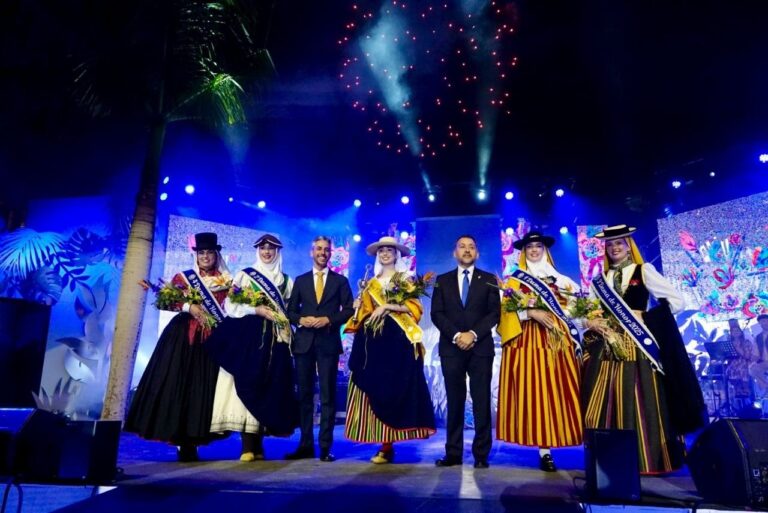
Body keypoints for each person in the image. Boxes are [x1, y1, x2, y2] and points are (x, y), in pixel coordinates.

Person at [581, 224, 706, 475]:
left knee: (640, 398)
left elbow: (678, 301)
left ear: (629, 246)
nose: (615, 248)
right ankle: (611, 461)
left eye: (620, 243)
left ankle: (646, 460)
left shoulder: (644, 270)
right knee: (606, 401)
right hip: (607, 347)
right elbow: (588, 312)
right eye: (611, 244)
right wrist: (589, 321)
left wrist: (646, 316)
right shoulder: (599, 280)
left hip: (637, 348)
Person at [125, 232, 230, 461]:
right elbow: (167, 301)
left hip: (211, 340)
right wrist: (188, 307)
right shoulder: (184, 277)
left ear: (216, 254)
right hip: (182, 337)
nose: (205, 257)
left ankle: (194, 439)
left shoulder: (227, 281)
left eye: (209, 252)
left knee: (203, 389)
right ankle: (181, 439)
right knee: (179, 385)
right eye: (201, 252)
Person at [204, 234, 299, 461]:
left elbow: (291, 309)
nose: (267, 252)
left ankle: (259, 445)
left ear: (278, 252)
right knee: (247, 382)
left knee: (269, 387)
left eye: (271, 249)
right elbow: (231, 305)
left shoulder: (287, 281)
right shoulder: (245, 275)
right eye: (263, 248)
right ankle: (247, 444)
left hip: (275, 341)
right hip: (248, 338)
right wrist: (257, 310)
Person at [343, 236, 436, 464]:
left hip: (398, 341)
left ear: (397, 254)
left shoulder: (405, 279)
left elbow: (415, 309)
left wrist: (387, 306)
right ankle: (382, 441)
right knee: (375, 387)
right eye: (381, 250)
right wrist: (358, 309)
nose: (385, 253)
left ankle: (389, 444)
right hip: (373, 342)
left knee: (394, 388)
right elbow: (363, 314)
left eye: (389, 250)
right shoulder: (370, 282)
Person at [496, 232, 582, 472]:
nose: (534, 250)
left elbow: (578, 308)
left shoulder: (561, 279)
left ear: (545, 249)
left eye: (538, 246)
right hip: (526, 342)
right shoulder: (514, 281)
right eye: (529, 247)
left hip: (555, 340)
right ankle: (544, 450)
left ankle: (561, 437)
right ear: (523, 252)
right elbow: (504, 311)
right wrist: (530, 313)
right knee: (534, 394)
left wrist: (556, 315)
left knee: (557, 392)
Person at [431, 235, 500, 469]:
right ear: (455, 253)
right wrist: (457, 336)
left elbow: (494, 314)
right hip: (452, 348)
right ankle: (453, 453)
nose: (467, 250)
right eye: (462, 246)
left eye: (472, 247)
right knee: (455, 401)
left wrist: (473, 334)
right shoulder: (442, 280)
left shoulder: (490, 280)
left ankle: (481, 455)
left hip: (480, 348)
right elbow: (437, 314)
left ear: (477, 253)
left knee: (481, 401)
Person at [286, 236, 354, 462]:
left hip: (327, 342)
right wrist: (301, 320)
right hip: (304, 343)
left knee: (327, 396)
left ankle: (325, 447)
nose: (322, 253)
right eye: (318, 249)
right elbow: (291, 311)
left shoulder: (340, 281)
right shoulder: (301, 280)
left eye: (326, 250)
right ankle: (305, 444)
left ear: (330, 253)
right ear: (311, 252)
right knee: (304, 396)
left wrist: (328, 319)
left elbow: (349, 310)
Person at [725, 318, 757, 399]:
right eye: (733, 331)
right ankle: (737, 391)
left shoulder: (746, 342)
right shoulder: (729, 343)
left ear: (741, 332)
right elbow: (727, 356)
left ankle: (746, 391)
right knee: (729, 369)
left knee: (741, 368)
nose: (735, 332)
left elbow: (747, 356)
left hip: (745, 361)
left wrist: (738, 348)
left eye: (737, 330)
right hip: (733, 362)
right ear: (731, 333)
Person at [749, 314, 768, 391]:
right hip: (764, 362)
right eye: (763, 321)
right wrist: (752, 362)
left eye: (767, 321)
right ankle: (766, 387)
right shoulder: (758, 337)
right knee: (752, 369)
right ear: (760, 324)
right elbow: (756, 354)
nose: (765, 323)